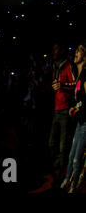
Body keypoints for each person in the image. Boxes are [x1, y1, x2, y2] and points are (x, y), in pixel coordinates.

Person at [49, 42, 76, 186]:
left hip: (65, 110)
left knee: (62, 145)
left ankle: (61, 175)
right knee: (52, 143)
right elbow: (55, 86)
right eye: (53, 49)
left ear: (62, 51)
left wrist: (62, 86)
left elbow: (75, 84)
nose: (54, 51)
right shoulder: (56, 67)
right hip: (56, 109)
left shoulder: (68, 66)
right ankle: (56, 172)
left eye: (56, 49)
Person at [61, 42, 86, 193]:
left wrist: (77, 109)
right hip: (80, 122)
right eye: (76, 50)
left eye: (80, 51)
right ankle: (67, 180)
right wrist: (75, 107)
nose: (76, 53)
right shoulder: (78, 75)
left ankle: (74, 186)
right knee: (71, 156)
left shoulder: (85, 75)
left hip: (85, 123)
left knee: (77, 158)